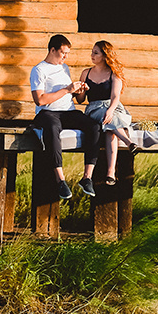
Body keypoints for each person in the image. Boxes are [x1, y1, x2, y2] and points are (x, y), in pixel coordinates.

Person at [30, 34, 100, 200]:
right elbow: (40, 100)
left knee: (94, 126)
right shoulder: (39, 70)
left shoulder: (64, 68)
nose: (65, 57)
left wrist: (77, 91)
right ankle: (60, 180)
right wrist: (67, 89)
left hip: (68, 111)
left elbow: (67, 95)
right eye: (63, 53)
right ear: (52, 50)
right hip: (47, 112)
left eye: (68, 53)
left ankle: (87, 177)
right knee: (53, 128)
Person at [78, 40, 133, 186]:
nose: (92, 55)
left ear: (105, 55)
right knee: (106, 118)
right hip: (94, 109)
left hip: (112, 108)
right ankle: (128, 142)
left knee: (110, 130)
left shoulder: (114, 74)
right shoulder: (86, 73)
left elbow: (115, 97)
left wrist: (110, 110)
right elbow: (80, 100)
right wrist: (81, 90)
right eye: (92, 52)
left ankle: (110, 173)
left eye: (96, 53)